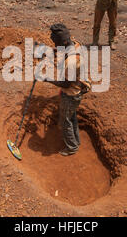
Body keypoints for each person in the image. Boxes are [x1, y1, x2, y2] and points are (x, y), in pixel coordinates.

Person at [39, 24, 91, 156]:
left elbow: (66, 84)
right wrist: (52, 51)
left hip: (71, 94)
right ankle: (76, 141)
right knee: (71, 116)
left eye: (57, 44)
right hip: (77, 91)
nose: (56, 46)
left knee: (64, 121)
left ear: (64, 41)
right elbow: (65, 49)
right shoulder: (75, 44)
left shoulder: (72, 62)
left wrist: (46, 78)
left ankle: (72, 147)